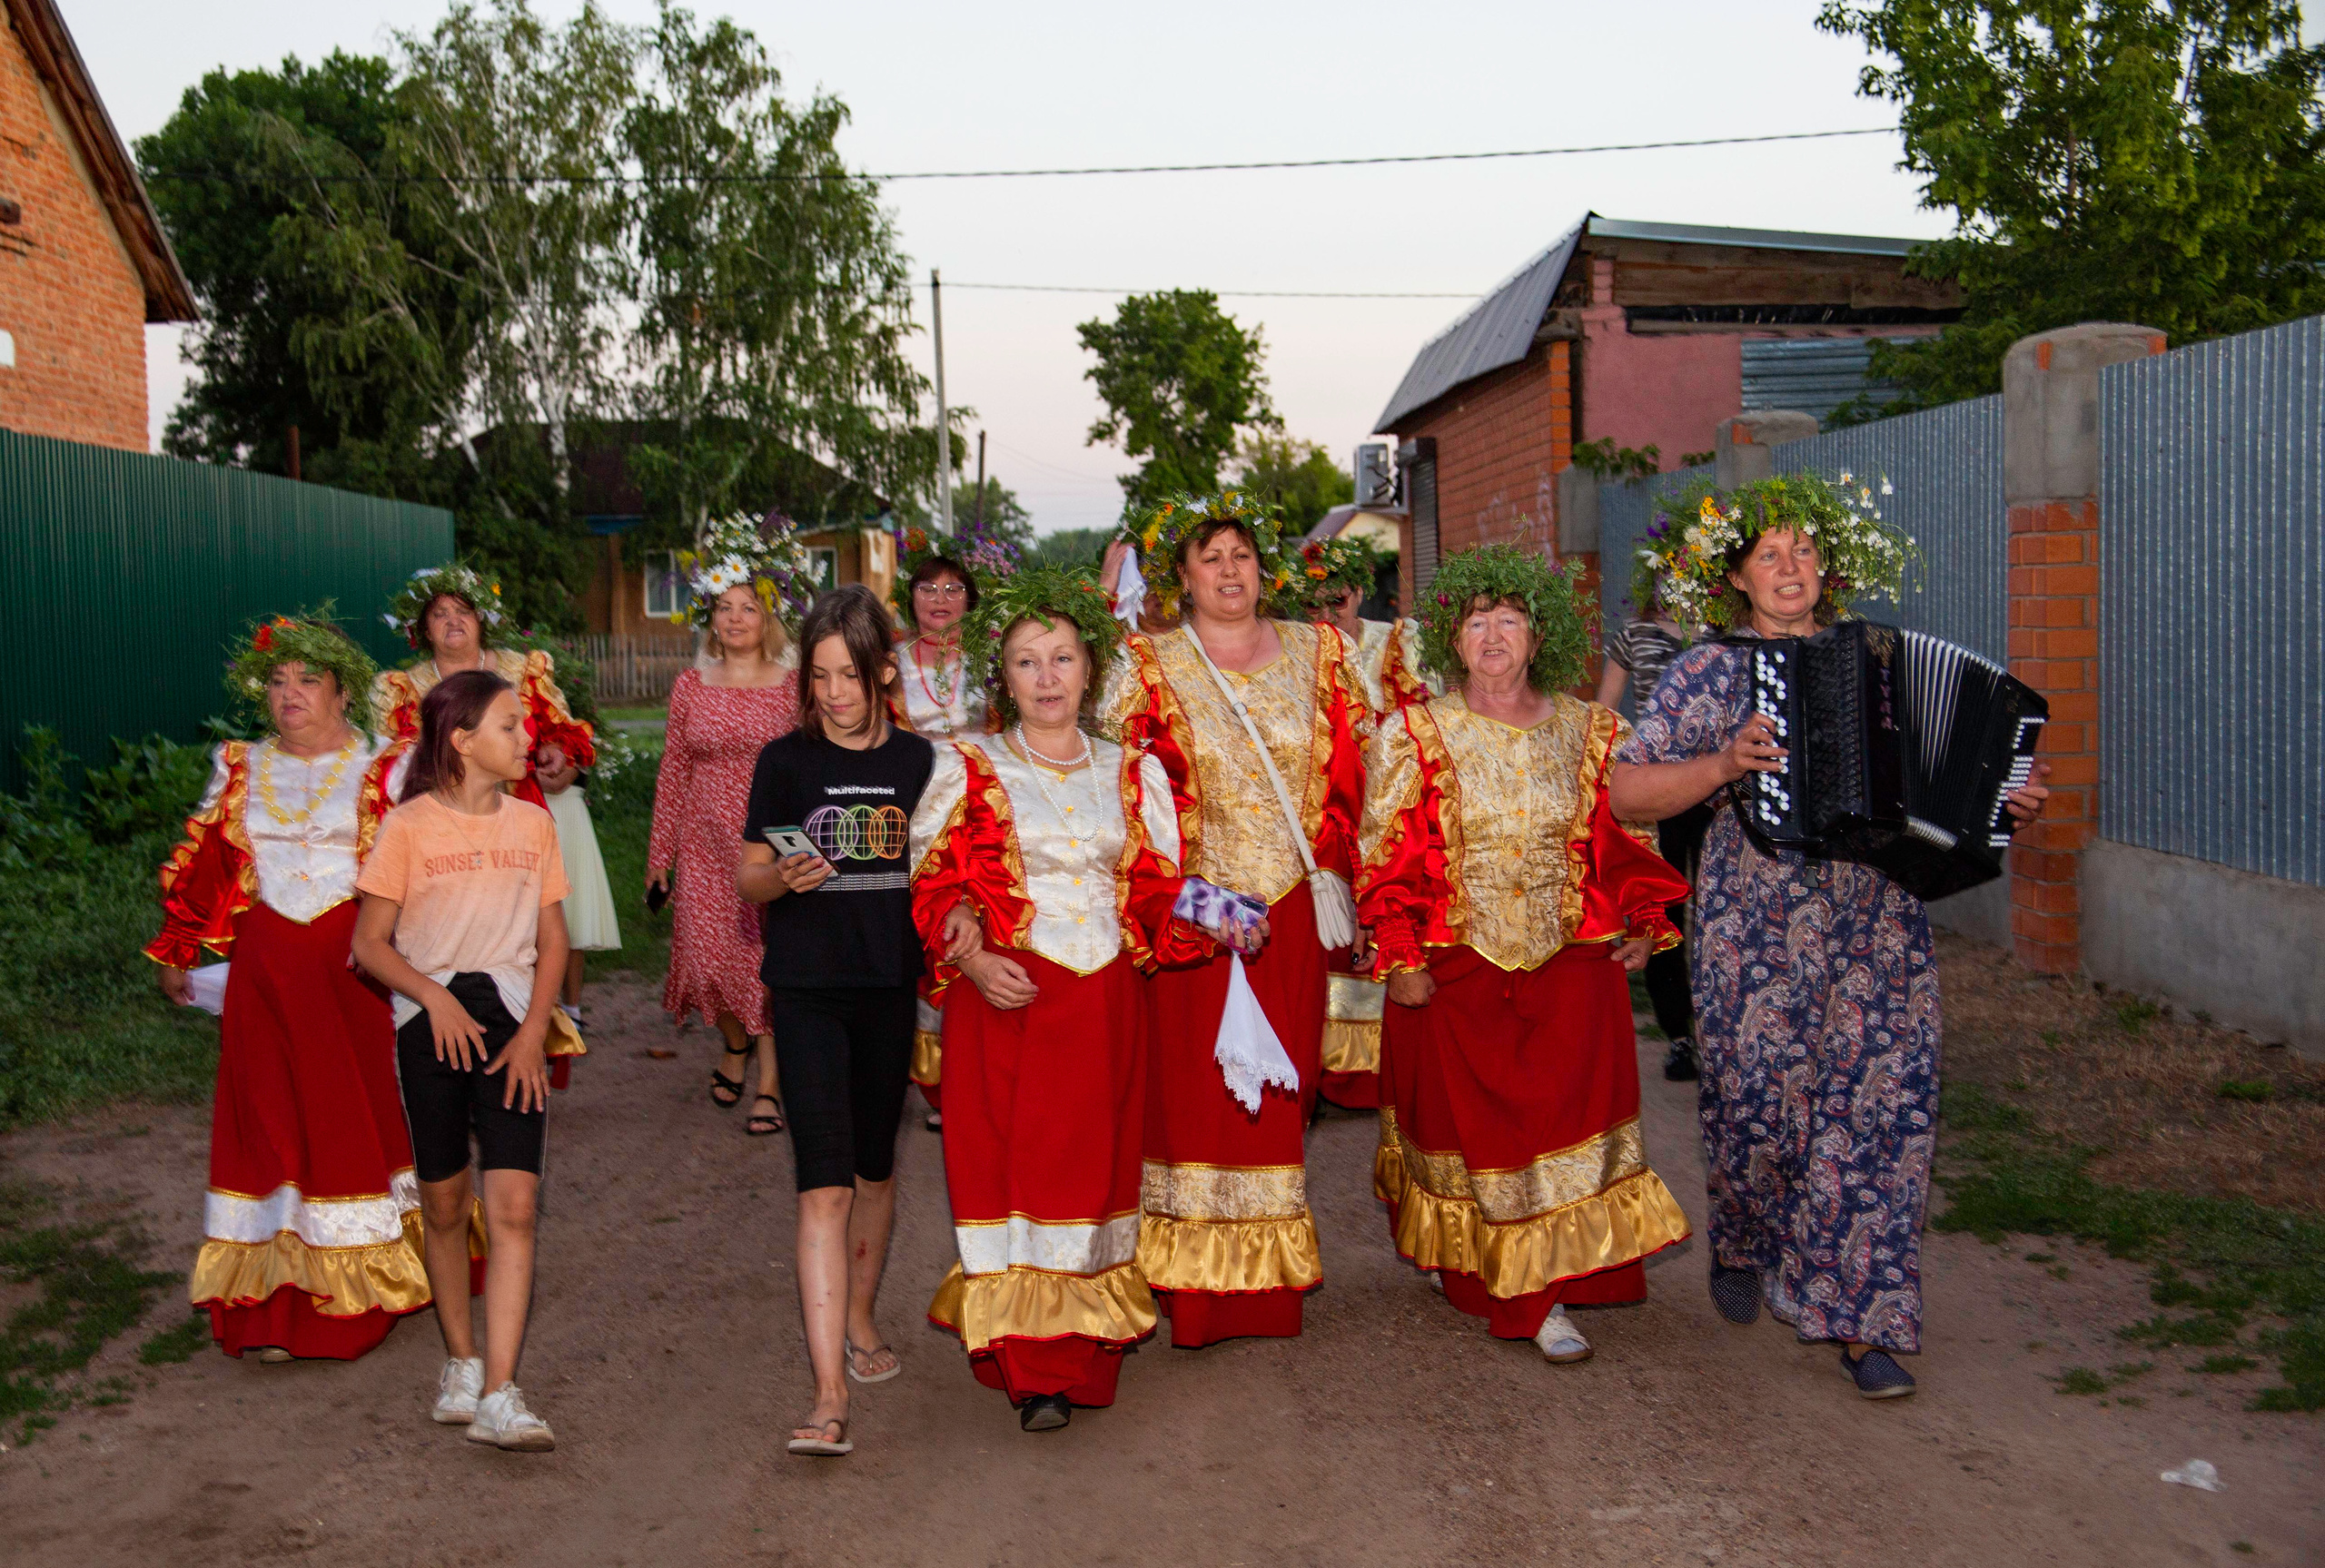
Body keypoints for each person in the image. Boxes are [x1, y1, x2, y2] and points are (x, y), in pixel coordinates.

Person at [1609, 473, 2050, 1400]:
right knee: (1756, 1111)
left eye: (1803, 550)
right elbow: (1625, 790)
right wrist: (1722, 762)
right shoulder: (1709, 671)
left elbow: (1949, 775)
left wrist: (2000, 799)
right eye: (1769, 553)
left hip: (1878, 926)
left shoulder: (1878, 661)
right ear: (1736, 576)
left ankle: (1864, 1322)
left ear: (1826, 569)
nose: (1789, 566)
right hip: (1752, 929)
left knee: (1881, 1115)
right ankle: (1744, 1233)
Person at [911, 568, 1263, 1431]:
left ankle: (1081, 1351)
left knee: (1095, 1175)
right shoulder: (966, 765)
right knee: (1016, 1175)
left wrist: (1224, 914)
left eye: (1062, 657)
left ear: (1089, 668)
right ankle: (1034, 1368)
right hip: (1010, 1003)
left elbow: (1153, 887)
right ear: (1004, 676)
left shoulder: (1132, 771)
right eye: (1027, 661)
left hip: (1104, 1005)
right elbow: (933, 882)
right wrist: (974, 953)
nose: (1047, 676)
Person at [1359, 546, 1694, 1365]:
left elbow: (1624, 832)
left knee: (1557, 1126)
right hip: (1457, 968)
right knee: (1473, 1135)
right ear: (1453, 639)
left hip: (1571, 965)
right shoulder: (1414, 733)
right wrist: (1400, 952)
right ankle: (1499, 1273)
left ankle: (1540, 1289)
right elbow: (1385, 851)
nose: (1493, 635)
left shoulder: (1593, 729)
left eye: (1509, 619)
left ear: (1539, 637)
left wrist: (1645, 914)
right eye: (1477, 621)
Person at [1098, 492, 1366, 1347]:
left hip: (1292, 908)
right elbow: (1118, 794)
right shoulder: (1146, 663)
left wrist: (1344, 875)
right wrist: (1191, 902)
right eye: (1208, 557)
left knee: (1282, 1096)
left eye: (1241, 554)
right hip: (1196, 920)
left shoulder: (1323, 653)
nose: (1227, 570)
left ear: (1263, 568)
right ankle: (1193, 1287)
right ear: (1181, 577)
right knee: (1193, 1096)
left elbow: (1358, 771)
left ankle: (1262, 1286)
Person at [147, 612, 428, 1362]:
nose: (289, 693)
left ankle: (362, 1289)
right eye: (276, 681)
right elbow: (206, 861)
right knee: (267, 1125)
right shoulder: (240, 764)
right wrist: (177, 945)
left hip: (353, 975)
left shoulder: (387, 766)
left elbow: (419, 866)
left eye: (308, 679)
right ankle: (274, 1300)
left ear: (343, 693)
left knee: (347, 1121)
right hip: (264, 974)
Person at [352, 669, 577, 1451]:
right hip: (431, 1026)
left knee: (514, 1207)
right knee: (446, 1205)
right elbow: (369, 942)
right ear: (463, 740)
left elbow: (554, 940)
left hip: (513, 1025)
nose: (527, 737)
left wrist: (534, 1031)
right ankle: (461, 1360)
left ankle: (501, 1393)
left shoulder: (533, 824)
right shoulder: (407, 826)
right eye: (510, 725)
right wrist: (432, 997)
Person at [738, 585, 936, 1458]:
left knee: (873, 1171)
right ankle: (828, 1394)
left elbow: (947, 873)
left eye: (849, 676)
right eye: (818, 677)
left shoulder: (922, 763)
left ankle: (858, 1313)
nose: (833, 694)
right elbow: (748, 874)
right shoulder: (784, 761)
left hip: (889, 987)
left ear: (883, 671)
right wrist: (782, 877)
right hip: (807, 990)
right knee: (822, 1184)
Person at [371, 564, 597, 1089]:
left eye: (463, 611)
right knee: (449, 932)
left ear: (482, 620)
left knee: (531, 934)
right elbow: (387, 766)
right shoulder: (399, 688)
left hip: (517, 815)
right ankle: (445, 1051)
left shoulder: (522, 669)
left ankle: (525, 1045)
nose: (453, 621)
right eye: (439, 613)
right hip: (439, 828)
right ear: (422, 629)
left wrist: (558, 756)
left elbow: (563, 738)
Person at [648, 525, 809, 1137]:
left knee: (766, 959)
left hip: (770, 839)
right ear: (711, 620)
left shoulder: (793, 686)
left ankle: (770, 1082)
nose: (736, 617)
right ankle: (735, 1043)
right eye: (725, 607)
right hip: (704, 843)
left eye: (749, 607)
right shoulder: (690, 685)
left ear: (769, 619)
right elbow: (673, 768)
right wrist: (658, 856)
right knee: (706, 958)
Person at [1294, 533, 1436, 1110]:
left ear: (1357, 593)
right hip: (1330, 809)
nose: (1327, 615)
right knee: (1332, 935)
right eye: (1313, 605)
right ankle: (1327, 1069)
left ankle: (1387, 1070)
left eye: (1338, 600)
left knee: (1393, 920)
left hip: (1394, 807)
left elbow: (1428, 719)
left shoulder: (1399, 642)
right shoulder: (1296, 652)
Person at [887, 524, 1018, 1131]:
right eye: (927, 588)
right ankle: (933, 1077)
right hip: (914, 819)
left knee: (985, 928)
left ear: (970, 598)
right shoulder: (888, 665)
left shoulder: (994, 662)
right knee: (927, 937)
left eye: (952, 589)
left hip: (985, 814)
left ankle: (978, 1064)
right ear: (909, 597)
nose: (939, 600)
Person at [1596, 578, 1704, 1082]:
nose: (1675, 583)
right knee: (1663, 912)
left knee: (1723, 912)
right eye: (1667, 572)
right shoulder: (1634, 634)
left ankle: (1726, 1033)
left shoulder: (1726, 634)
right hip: (1659, 792)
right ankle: (1679, 1036)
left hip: (1722, 792)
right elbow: (1606, 709)